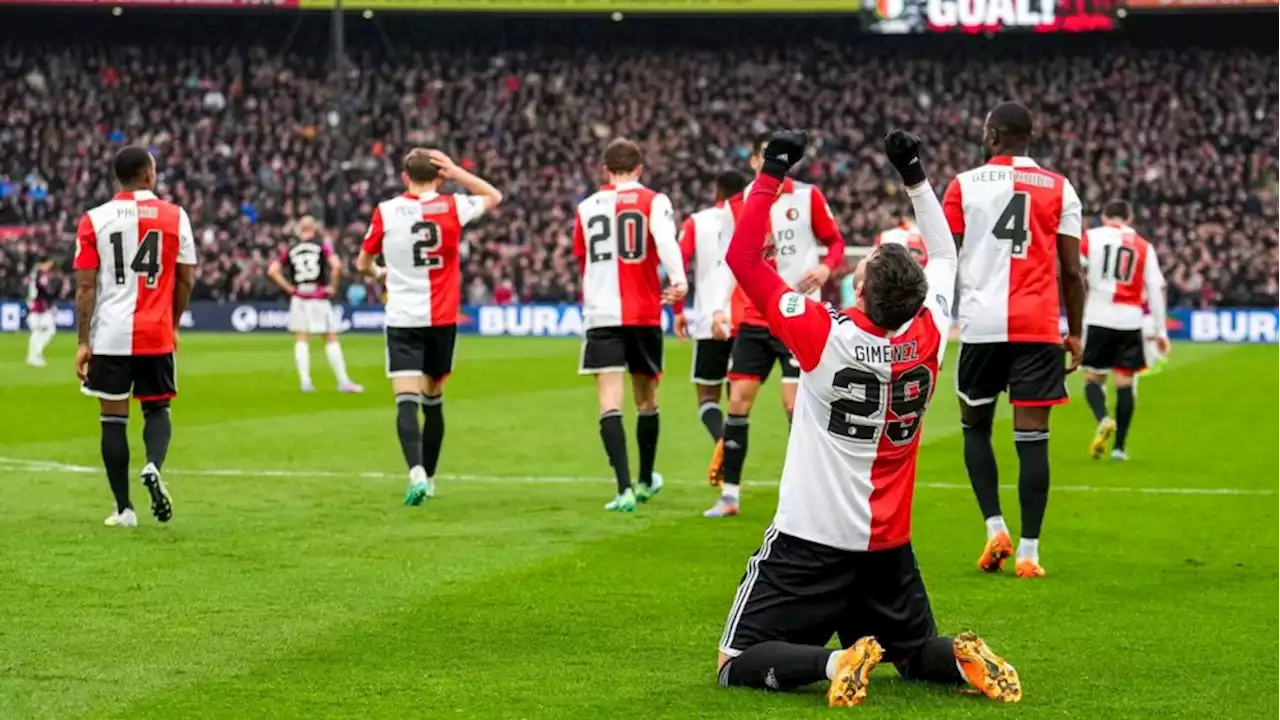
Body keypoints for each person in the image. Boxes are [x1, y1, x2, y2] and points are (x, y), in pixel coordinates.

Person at [716, 129, 1020, 707]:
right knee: (910, 652)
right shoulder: (928, 336)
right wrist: (914, 174)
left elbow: (743, 257)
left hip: (810, 539)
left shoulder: (821, 335)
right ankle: (958, 656)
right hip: (887, 545)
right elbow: (948, 255)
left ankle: (837, 662)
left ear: (861, 286)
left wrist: (772, 170)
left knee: (735, 662)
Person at [943, 101, 1086, 579]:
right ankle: (1028, 552)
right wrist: (1077, 331)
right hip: (1039, 328)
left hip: (982, 327)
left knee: (975, 427)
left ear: (991, 135)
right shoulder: (1060, 188)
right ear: (1030, 136)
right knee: (1033, 440)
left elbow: (945, 258)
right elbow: (1071, 270)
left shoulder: (963, 185)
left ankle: (993, 526)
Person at [704, 133, 846, 518]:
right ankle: (730, 494)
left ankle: (808, 492)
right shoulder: (738, 206)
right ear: (754, 162)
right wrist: (718, 309)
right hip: (754, 317)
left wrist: (824, 267)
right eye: (766, 157)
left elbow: (835, 242)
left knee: (793, 404)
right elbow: (725, 263)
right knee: (737, 402)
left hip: (799, 314)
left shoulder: (808, 196)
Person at [357, 148, 503, 505]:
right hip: (441, 318)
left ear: (405, 177)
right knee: (433, 399)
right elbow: (494, 196)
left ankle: (416, 472)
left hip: (403, 318)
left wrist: (380, 273)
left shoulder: (387, 211)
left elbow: (363, 263)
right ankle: (432, 478)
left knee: (405, 400)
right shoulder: (453, 206)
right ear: (438, 177)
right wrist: (457, 171)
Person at [73, 146, 196, 528]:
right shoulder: (176, 216)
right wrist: (173, 322)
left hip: (110, 334)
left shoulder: (93, 219)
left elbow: (85, 287)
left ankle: (124, 509)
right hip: (155, 334)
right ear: (148, 175)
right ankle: (153, 466)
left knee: (112, 420)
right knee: (157, 409)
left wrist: (82, 341)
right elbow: (186, 278)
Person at [572, 138, 687, 512]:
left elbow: (581, 259)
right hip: (642, 313)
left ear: (605, 170)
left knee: (609, 402)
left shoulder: (586, 207)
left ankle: (621, 489)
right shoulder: (655, 200)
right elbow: (666, 242)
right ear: (639, 167)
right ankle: (644, 480)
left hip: (601, 314)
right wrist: (679, 281)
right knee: (646, 400)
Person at [1080, 200, 1169, 461]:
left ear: (1104, 216)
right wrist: (1161, 331)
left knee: (1093, 379)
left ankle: (1103, 419)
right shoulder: (1144, 246)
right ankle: (1119, 448)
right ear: (1128, 218)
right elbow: (1155, 289)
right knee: (1125, 383)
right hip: (1130, 320)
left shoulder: (1091, 238)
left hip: (1097, 314)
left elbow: (1073, 269)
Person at [672, 170, 748, 452]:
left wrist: (679, 311)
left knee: (707, 397)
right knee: (739, 400)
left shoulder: (697, 222)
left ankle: (720, 439)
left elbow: (678, 263)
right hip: (744, 320)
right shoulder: (752, 220)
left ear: (717, 191)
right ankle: (733, 454)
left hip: (708, 320)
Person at [267, 215, 362, 394]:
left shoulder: (291, 249)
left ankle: (305, 382)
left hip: (300, 296)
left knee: (302, 340)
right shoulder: (321, 247)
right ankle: (343, 381)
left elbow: (272, 270)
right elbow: (336, 266)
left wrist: (288, 287)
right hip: (318, 296)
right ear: (314, 229)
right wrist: (332, 287)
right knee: (330, 338)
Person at [25, 256, 57, 367]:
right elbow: (42, 291)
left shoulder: (35, 272)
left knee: (44, 331)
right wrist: (51, 303)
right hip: (38, 306)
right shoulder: (39, 274)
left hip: (37, 305)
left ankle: (34, 355)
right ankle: (34, 356)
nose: (50, 267)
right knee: (39, 331)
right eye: (49, 264)